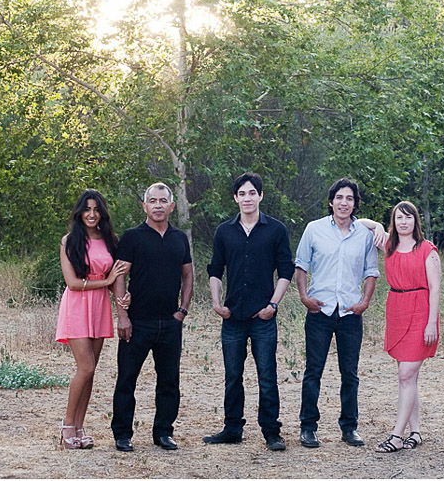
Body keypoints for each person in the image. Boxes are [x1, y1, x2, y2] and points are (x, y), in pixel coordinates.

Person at [203, 172, 294, 451]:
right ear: (235, 198)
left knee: (267, 374)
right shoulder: (224, 231)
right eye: (242, 193)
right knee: (233, 375)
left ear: (261, 196)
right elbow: (215, 270)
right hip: (233, 317)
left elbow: (286, 270)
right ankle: (232, 429)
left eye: (252, 193)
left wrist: (273, 305)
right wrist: (217, 303)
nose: (247, 198)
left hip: (263, 317)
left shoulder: (275, 230)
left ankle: (271, 431)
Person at [295, 178, 379, 449]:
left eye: (350, 198)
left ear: (355, 204)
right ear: (331, 201)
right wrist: (305, 297)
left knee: (350, 373)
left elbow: (371, 272)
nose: (344, 203)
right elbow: (301, 265)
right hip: (320, 310)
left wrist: (364, 301)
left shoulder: (364, 235)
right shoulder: (314, 229)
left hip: (350, 313)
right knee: (313, 372)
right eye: (340, 197)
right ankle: (308, 428)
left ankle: (349, 427)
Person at [110, 182, 194, 452]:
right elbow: (120, 276)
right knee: (127, 379)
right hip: (137, 322)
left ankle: (164, 433)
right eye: (152, 201)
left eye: (163, 201)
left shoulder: (179, 238)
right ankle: (123, 434)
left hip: (170, 323)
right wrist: (122, 316)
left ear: (171, 206)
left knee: (169, 381)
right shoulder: (133, 237)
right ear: (144, 206)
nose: (158, 205)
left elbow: (188, 274)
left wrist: (182, 310)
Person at [357, 201, 441, 453]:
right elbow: (359, 222)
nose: (404, 222)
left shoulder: (427, 250)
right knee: (407, 377)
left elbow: (435, 288)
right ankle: (415, 432)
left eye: (408, 217)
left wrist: (431, 323)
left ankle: (396, 435)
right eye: (398, 218)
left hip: (420, 312)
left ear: (416, 221)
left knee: (406, 375)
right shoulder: (389, 246)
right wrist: (379, 227)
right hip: (397, 310)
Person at [55, 189, 129, 449]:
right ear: (79, 212)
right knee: (84, 367)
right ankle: (66, 427)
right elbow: (73, 283)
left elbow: (115, 278)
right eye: (87, 209)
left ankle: (79, 427)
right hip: (77, 306)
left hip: (98, 308)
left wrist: (122, 298)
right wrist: (106, 281)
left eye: (96, 209)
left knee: (91, 372)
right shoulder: (69, 241)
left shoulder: (111, 240)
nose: (92, 214)